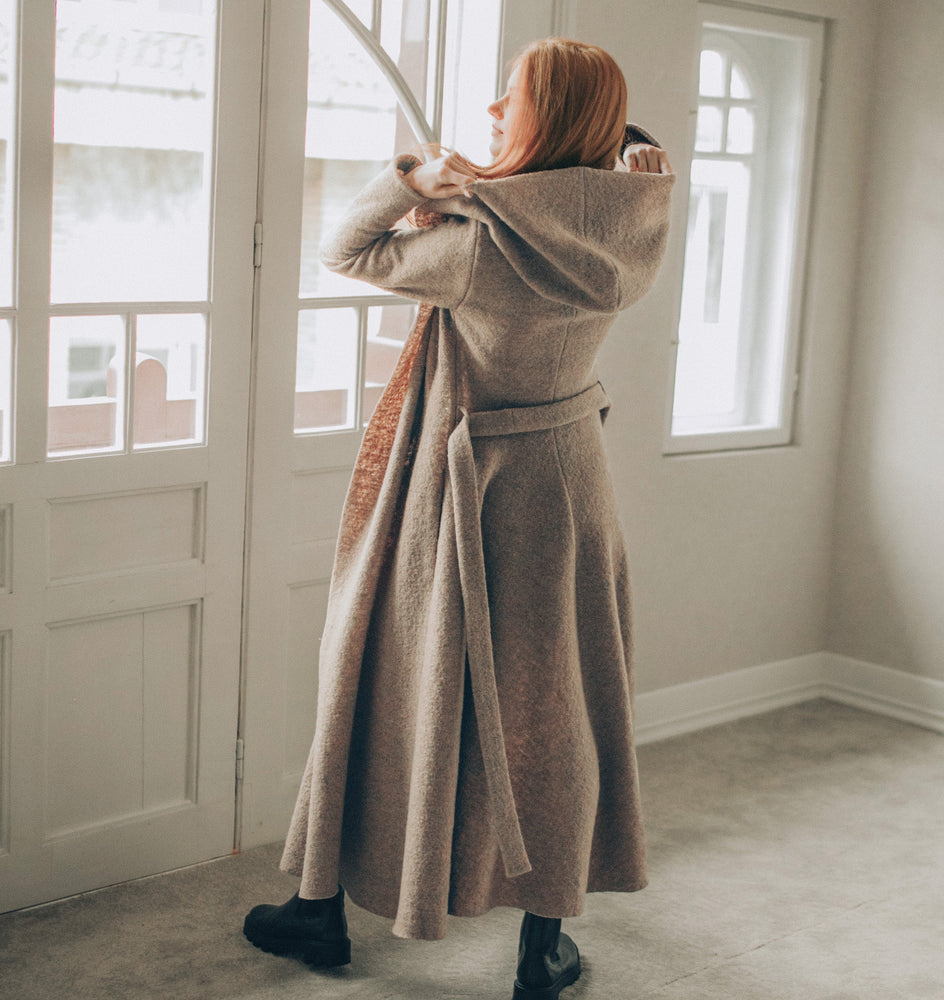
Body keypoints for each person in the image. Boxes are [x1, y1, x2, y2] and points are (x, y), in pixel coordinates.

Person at [244, 38, 674, 999]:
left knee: (378, 672)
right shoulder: (632, 224)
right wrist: (643, 177)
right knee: (557, 702)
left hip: (462, 486)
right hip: (568, 479)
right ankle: (542, 945)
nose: (490, 109)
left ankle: (320, 910)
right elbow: (628, 186)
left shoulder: (481, 241)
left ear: (549, 114)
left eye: (510, 97)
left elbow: (344, 248)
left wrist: (414, 177)